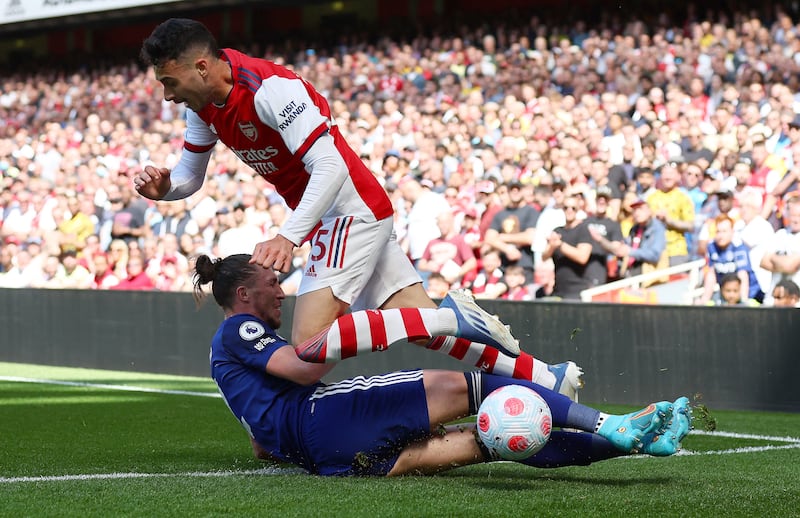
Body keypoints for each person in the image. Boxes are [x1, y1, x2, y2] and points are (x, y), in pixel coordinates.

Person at [135, 18, 582, 398]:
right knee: (425, 329)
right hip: (344, 214)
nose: (168, 96)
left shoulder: (271, 88)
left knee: (309, 344)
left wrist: (289, 235)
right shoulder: (202, 106)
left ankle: (455, 315)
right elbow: (189, 176)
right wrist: (166, 189)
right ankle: (549, 378)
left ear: (201, 66)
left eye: (170, 83)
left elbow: (329, 165)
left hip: (349, 211)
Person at [195, 253, 692, 477]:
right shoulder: (239, 330)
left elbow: (261, 446)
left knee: (498, 443)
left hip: (329, 461)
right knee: (478, 387)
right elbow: (303, 369)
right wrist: (362, 336)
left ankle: (638, 446)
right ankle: (614, 423)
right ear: (243, 293)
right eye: (270, 282)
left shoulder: (225, 356)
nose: (281, 289)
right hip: (327, 418)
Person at [699, 215, 763, 305]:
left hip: (750, 295)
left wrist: (743, 302)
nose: (720, 235)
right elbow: (711, 275)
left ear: (732, 232)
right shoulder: (712, 246)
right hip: (727, 296)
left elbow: (743, 276)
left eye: (724, 231)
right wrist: (704, 300)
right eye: (718, 232)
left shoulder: (738, 246)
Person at [542, 196, 593, 300]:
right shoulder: (557, 231)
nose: (569, 211)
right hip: (558, 290)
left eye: (573, 208)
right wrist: (552, 245)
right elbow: (544, 257)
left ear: (578, 210)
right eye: (566, 208)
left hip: (577, 290)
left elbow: (582, 257)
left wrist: (560, 245)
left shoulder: (583, 230)